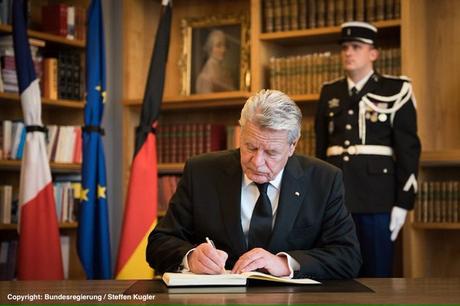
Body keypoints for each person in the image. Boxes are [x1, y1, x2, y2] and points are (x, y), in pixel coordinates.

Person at [147, 89, 361, 280]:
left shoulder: (324, 179)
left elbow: (348, 256)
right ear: (241, 134)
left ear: (292, 146)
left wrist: (285, 263)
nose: (257, 161)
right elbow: (158, 243)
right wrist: (191, 257)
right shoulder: (202, 172)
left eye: (271, 152)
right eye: (250, 147)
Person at [315, 21, 421, 277]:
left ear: (373, 53)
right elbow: (321, 149)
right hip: (337, 200)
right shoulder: (330, 92)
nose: (348, 52)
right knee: (339, 274)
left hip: (377, 199)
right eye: (345, 47)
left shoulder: (396, 90)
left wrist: (403, 203)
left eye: (356, 47)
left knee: (377, 277)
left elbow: (408, 150)